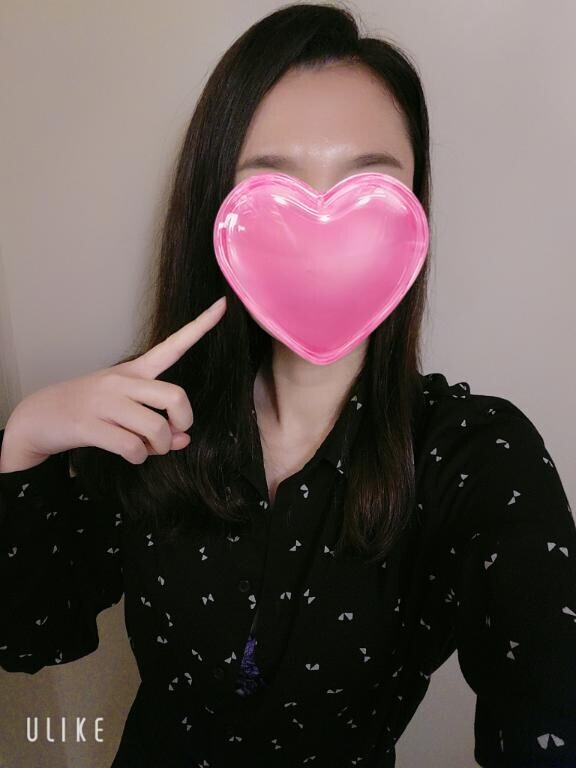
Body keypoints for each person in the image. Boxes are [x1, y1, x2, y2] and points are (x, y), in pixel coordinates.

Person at [1, 3, 575, 767]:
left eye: (368, 185)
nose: (319, 233)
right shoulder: (149, 417)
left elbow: (547, 695)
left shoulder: (473, 456)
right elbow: (29, 634)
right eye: (272, 186)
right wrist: (26, 439)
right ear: (218, 211)